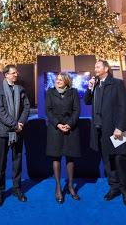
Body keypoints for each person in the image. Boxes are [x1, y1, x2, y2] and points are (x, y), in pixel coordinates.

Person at [84, 59, 126, 206]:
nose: (95, 69)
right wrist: (90, 88)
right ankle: (114, 187)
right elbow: (87, 101)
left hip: (116, 129)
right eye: (94, 66)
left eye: (97, 66)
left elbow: (124, 107)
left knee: (119, 159)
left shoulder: (117, 83)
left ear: (106, 68)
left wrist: (120, 127)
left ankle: (125, 191)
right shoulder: (95, 84)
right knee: (107, 160)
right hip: (100, 130)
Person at [0, 64, 30, 207]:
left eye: (16, 73)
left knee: (17, 161)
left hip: (18, 131)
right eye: (13, 73)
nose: (16, 75)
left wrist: (20, 123)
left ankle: (16, 189)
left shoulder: (20, 89)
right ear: (6, 75)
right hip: (3, 131)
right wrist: (15, 125)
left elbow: (26, 107)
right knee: (1, 163)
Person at [45, 72, 81, 204]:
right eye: (57, 79)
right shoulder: (50, 92)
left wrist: (69, 124)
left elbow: (77, 110)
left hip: (70, 128)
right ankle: (58, 187)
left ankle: (71, 186)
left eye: (61, 79)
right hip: (55, 128)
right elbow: (48, 111)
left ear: (66, 81)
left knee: (70, 157)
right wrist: (58, 124)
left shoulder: (73, 92)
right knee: (56, 157)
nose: (58, 81)